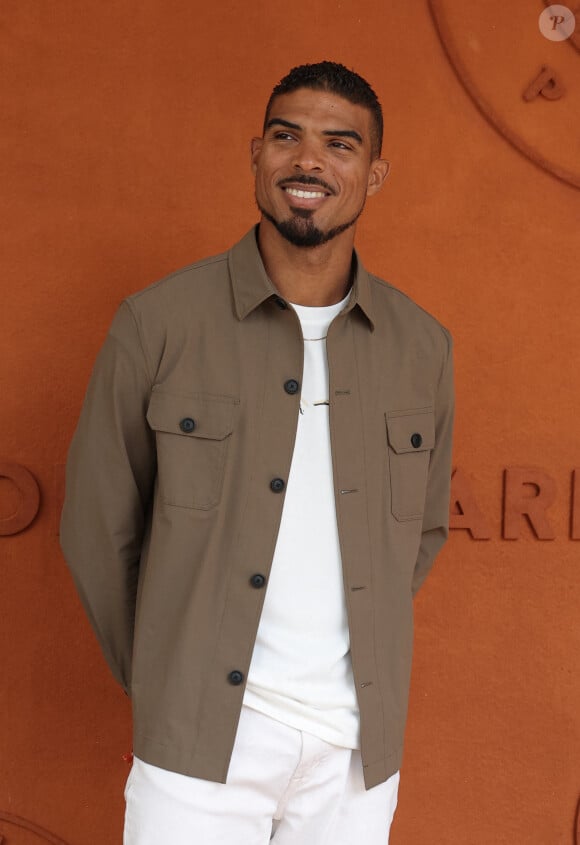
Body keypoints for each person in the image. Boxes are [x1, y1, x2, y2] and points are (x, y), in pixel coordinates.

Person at [60, 60, 455, 844]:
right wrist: (166, 676)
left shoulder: (422, 347)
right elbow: (99, 529)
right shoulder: (158, 323)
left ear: (374, 174)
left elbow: (422, 534)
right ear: (255, 155)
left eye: (339, 145)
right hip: (198, 746)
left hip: (352, 755)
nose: (308, 161)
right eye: (287, 136)